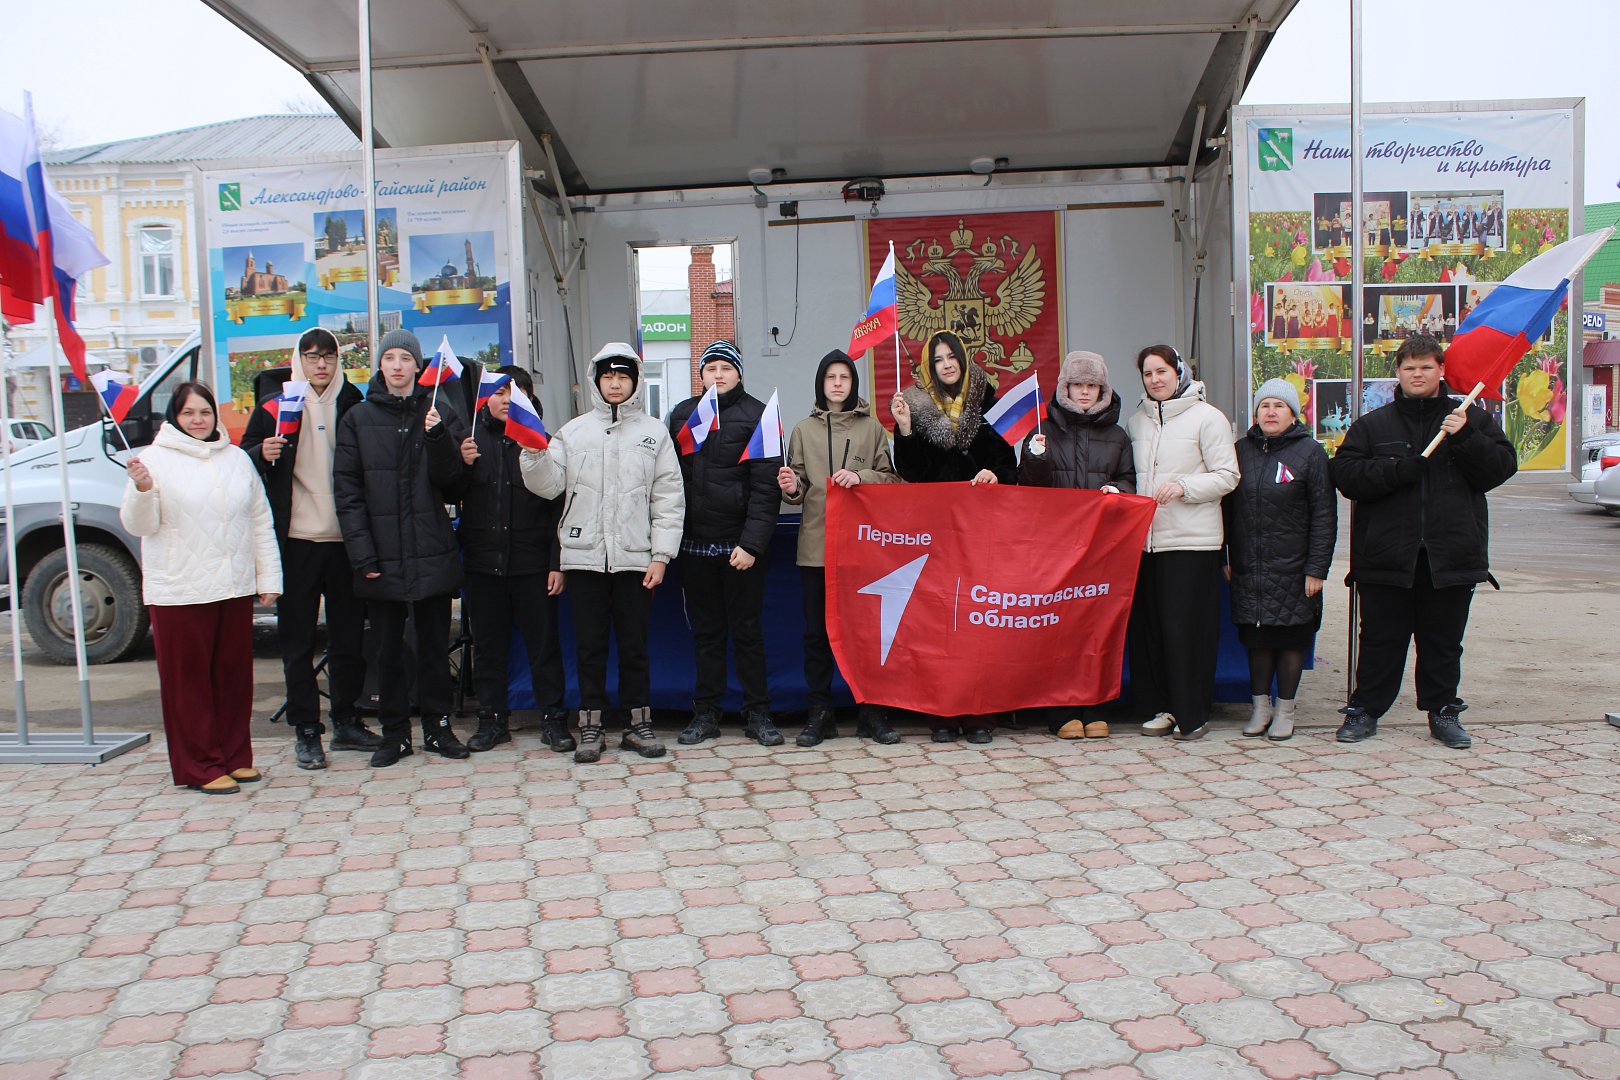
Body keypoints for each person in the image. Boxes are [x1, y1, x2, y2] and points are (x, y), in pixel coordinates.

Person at [1330, 334, 1516, 749]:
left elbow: (1500, 470)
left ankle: (1443, 711)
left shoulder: (1469, 419)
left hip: (1450, 556)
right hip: (1386, 557)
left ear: (1441, 370)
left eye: (1426, 367)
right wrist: (1396, 471)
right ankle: (1365, 710)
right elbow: (1345, 476)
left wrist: (1465, 438)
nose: (1418, 374)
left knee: (1443, 642)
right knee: (1380, 640)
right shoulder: (1372, 426)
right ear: (1398, 372)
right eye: (1410, 367)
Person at [520, 343, 684, 763]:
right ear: (596, 380)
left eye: (623, 376)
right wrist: (533, 453)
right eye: (608, 376)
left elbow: (668, 497)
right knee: (589, 647)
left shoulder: (654, 434)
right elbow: (548, 486)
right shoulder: (573, 432)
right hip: (585, 557)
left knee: (635, 646)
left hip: (635, 557)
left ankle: (637, 724)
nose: (615, 383)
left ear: (635, 382)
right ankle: (590, 725)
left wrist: (661, 555)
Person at [120, 382, 281, 794]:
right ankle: (199, 766)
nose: (198, 420)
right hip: (181, 590)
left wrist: (268, 578)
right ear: (175, 417)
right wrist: (142, 489)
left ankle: (235, 756)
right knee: (188, 684)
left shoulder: (236, 459)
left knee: (233, 678)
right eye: (189, 413)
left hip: (232, 586)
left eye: (205, 412)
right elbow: (139, 525)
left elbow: (259, 520)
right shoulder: (153, 460)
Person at [240, 328, 380, 770]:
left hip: (345, 542)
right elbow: (242, 460)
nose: (321, 364)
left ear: (339, 361)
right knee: (297, 643)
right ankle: (305, 729)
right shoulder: (275, 405)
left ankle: (347, 720)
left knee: (349, 640)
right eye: (312, 356)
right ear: (298, 360)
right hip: (296, 541)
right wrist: (261, 452)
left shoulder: (354, 402)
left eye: (328, 356)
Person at [334, 328, 469, 767]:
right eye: (390, 357)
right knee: (388, 652)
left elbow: (455, 484)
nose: (397, 366)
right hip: (381, 556)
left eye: (405, 358)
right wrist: (362, 555)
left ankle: (438, 728)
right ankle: (395, 734)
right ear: (379, 364)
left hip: (431, 551)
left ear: (417, 365)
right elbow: (348, 493)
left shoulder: (438, 412)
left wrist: (438, 439)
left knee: (433, 649)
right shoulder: (357, 418)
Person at [889, 330, 1016, 743]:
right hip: (938, 533)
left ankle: (980, 713)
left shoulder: (988, 402)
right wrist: (905, 429)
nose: (946, 364)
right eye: (938, 359)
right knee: (940, 623)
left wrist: (995, 473)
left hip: (981, 531)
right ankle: (941, 713)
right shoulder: (916, 406)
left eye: (951, 357)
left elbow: (1008, 462)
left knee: (979, 622)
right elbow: (912, 472)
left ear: (963, 359)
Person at [440, 365, 572, 754]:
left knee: (544, 647)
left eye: (515, 392)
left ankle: (553, 720)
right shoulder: (470, 440)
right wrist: (460, 465)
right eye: (498, 392)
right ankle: (492, 720)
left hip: (534, 565)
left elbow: (560, 509)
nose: (506, 399)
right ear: (486, 398)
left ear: (529, 398)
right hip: (483, 565)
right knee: (488, 648)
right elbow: (448, 493)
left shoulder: (545, 442)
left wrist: (556, 563)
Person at [778, 349, 902, 747]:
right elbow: (797, 488)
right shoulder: (802, 430)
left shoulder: (872, 428)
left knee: (865, 634)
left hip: (862, 549)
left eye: (844, 377)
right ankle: (821, 713)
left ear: (853, 383)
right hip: (815, 548)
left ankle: (872, 711)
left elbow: (892, 480)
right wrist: (790, 487)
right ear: (821, 383)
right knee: (816, 635)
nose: (837, 384)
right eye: (830, 377)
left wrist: (862, 476)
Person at [668, 340, 783, 747]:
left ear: (739, 373)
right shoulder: (683, 415)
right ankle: (706, 714)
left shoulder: (759, 416)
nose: (718, 375)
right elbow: (669, 481)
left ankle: (758, 713)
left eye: (726, 368)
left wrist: (751, 545)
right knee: (707, 635)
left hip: (741, 550)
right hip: (695, 547)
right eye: (711, 368)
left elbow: (766, 489)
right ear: (701, 375)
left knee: (748, 633)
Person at [1019, 349, 1136, 740]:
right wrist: (1034, 456)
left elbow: (1130, 480)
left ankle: (1095, 707)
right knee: (1058, 628)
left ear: (1103, 389)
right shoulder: (1044, 429)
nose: (1084, 392)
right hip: (1055, 548)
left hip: (1101, 548)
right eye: (1077, 384)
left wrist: (1117, 490)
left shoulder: (1118, 435)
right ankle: (1061, 711)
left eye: (1092, 385)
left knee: (1096, 629)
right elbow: (1028, 488)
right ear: (1064, 387)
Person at [1125, 345, 1240, 741]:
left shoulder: (1208, 418)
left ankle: (1193, 713)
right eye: (1147, 374)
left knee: (1186, 632)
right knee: (1154, 631)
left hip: (1192, 543)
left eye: (1162, 371)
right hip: (1148, 545)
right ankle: (1163, 708)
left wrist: (1185, 487)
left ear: (1179, 372)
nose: (1155, 379)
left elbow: (1228, 476)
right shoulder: (1137, 422)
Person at [1223, 379, 1336, 742]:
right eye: (1264, 405)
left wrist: (1317, 568)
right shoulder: (1240, 451)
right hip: (1250, 568)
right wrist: (1225, 556)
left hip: (1295, 569)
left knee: (1290, 639)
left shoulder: (1310, 453)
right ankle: (1260, 708)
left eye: (1279, 406)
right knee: (1257, 640)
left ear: (1293, 413)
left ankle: (1285, 709)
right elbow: (1225, 510)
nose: (1271, 412)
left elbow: (1324, 515)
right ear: (1256, 413)